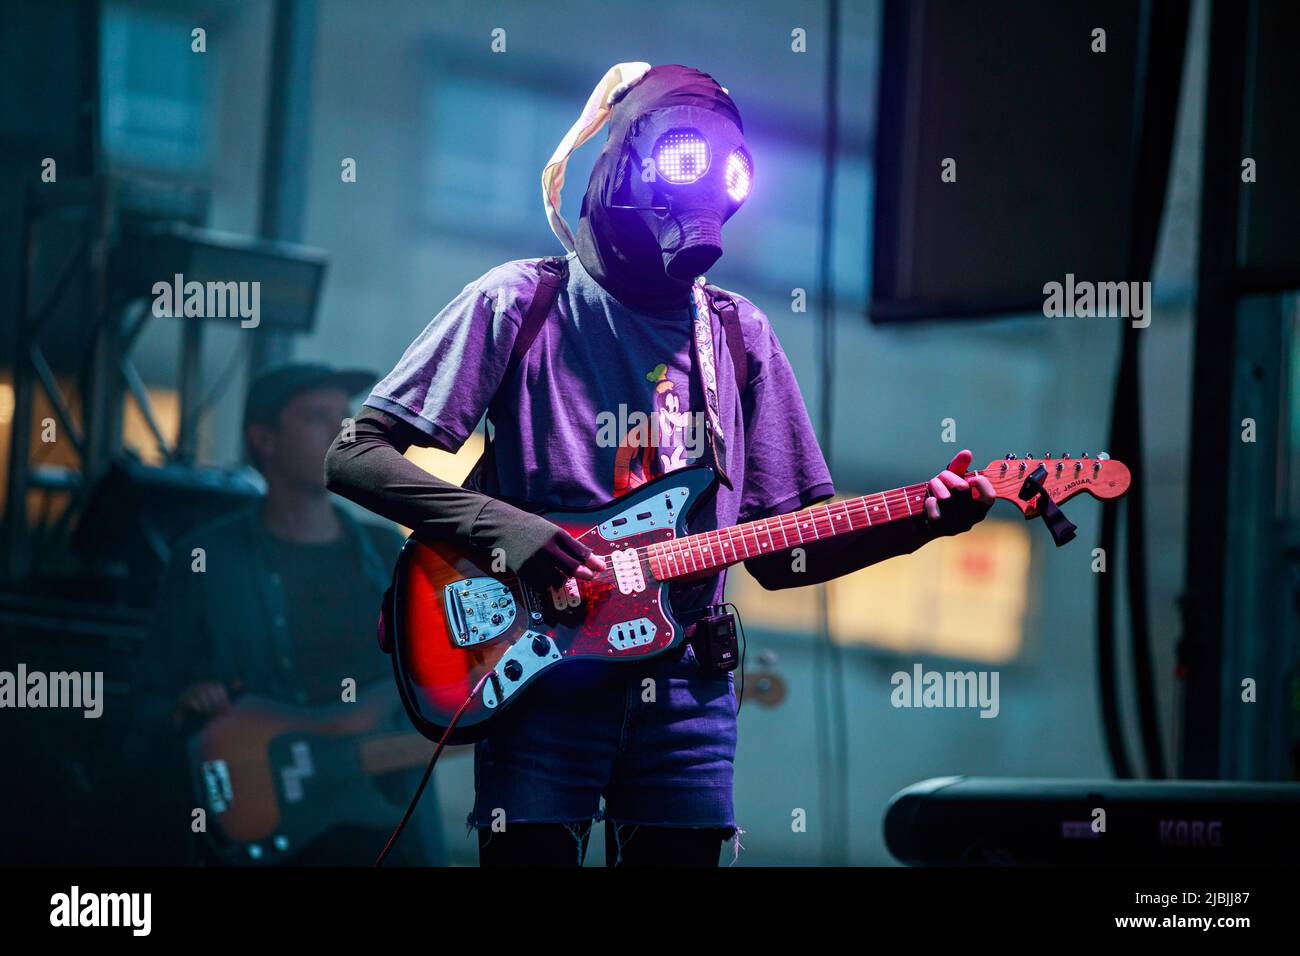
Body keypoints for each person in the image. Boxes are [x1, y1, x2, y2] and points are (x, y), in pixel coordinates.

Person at [324, 64, 993, 867]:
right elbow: (356, 455)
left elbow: (781, 555)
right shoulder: (519, 302)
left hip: (687, 690)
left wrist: (921, 524)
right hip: (543, 678)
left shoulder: (739, 337)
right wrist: (514, 534)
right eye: (680, 160)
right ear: (619, 166)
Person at [148, 362, 447, 866]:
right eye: (316, 417)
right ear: (263, 439)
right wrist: (191, 702)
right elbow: (151, 692)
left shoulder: (387, 553)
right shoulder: (207, 559)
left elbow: (437, 678)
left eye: (345, 415)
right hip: (265, 832)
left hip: (386, 828)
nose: (343, 431)